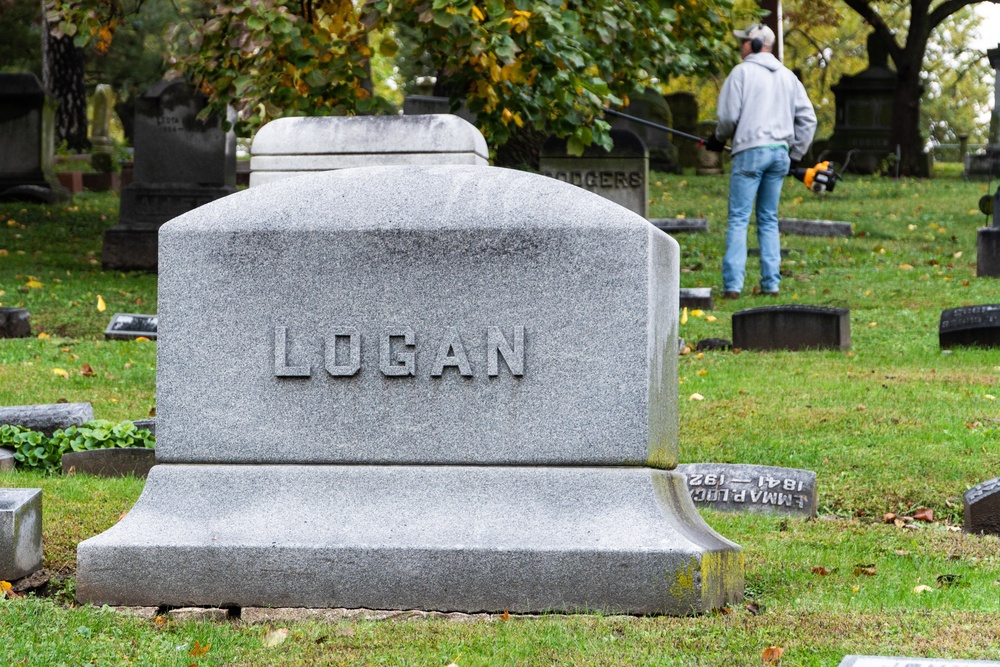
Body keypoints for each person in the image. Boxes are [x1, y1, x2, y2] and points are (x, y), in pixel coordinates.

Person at [704, 23, 816, 299]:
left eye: (743, 41)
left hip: (750, 153)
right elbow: (808, 120)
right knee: (768, 219)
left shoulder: (741, 73)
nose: (740, 46)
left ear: (754, 45)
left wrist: (718, 139)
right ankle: (771, 283)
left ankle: (732, 285)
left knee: (739, 218)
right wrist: (795, 154)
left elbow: (728, 118)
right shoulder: (789, 77)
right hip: (779, 154)